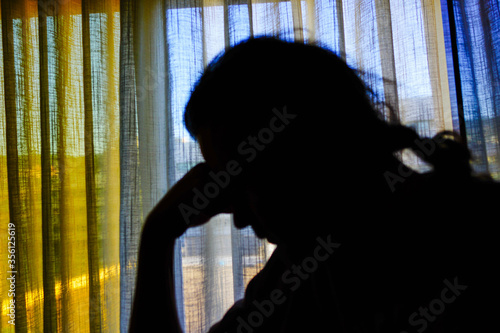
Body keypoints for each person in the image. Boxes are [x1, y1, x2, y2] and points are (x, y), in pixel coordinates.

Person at [129, 37, 500, 332]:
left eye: (245, 181)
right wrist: (159, 233)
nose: (237, 216)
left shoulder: (472, 233)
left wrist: (158, 234)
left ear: (308, 151)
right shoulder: (298, 271)